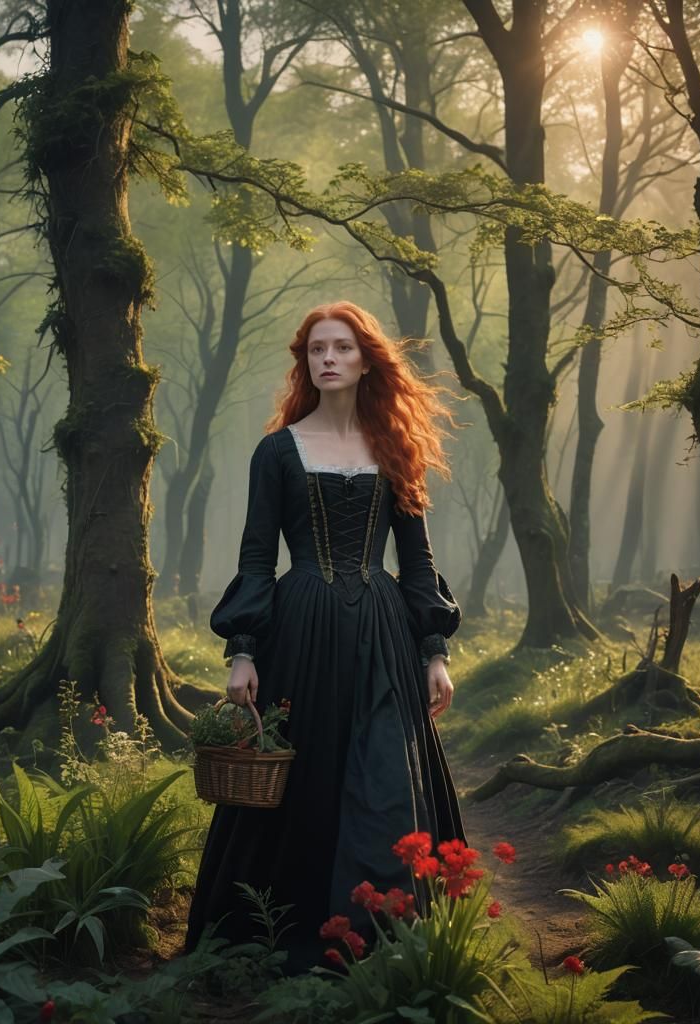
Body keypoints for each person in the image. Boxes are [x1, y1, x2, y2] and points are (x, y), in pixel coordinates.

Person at [184, 300, 468, 974]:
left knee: (385, 775)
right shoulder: (277, 453)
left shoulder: (395, 449)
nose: (329, 358)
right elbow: (257, 557)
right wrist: (243, 649)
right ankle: (287, 930)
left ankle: (381, 931)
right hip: (302, 625)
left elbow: (418, 559)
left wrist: (435, 651)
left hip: (382, 628)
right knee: (301, 779)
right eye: (317, 349)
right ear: (305, 363)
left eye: (341, 347)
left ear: (367, 358)